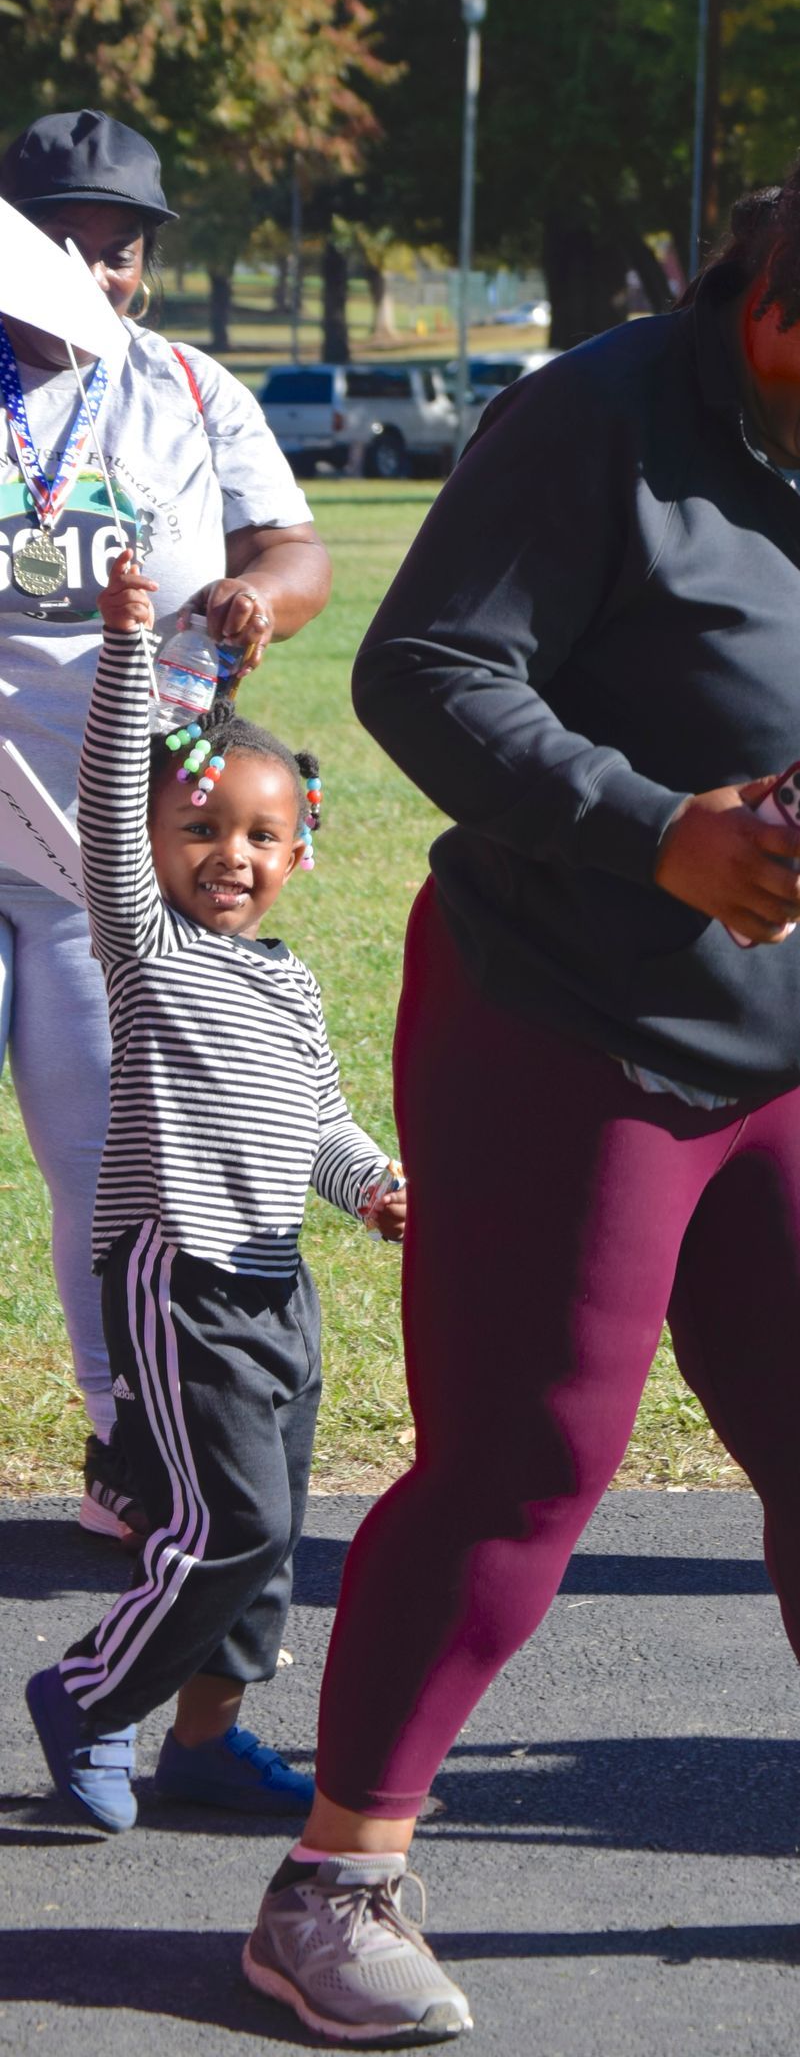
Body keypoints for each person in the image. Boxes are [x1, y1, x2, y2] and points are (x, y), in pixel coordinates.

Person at [241, 123, 800, 2045]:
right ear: (776, 310)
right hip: (569, 1034)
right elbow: (423, 675)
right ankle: (331, 1888)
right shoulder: (589, 426)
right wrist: (657, 833)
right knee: (521, 1468)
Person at [25, 550, 403, 1833]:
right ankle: (89, 1696)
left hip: (273, 1285)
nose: (228, 855)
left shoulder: (289, 984)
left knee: (271, 1531)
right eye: (198, 830)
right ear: (148, 843)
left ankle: (204, 1741)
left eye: (258, 836)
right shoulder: (144, 943)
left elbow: (321, 1124)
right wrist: (132, 646)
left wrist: (373, 1187)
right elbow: (108, 777)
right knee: (223, 1524)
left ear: (300, 851)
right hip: (176, 1274)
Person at [0, 109, 331, 1537]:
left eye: (118, 249)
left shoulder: (188, 390)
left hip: (115, 866)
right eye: (58, 244)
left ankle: (126, 1449)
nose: (92, 272)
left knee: (116, 1170)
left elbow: (293, 546)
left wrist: (260, 600)